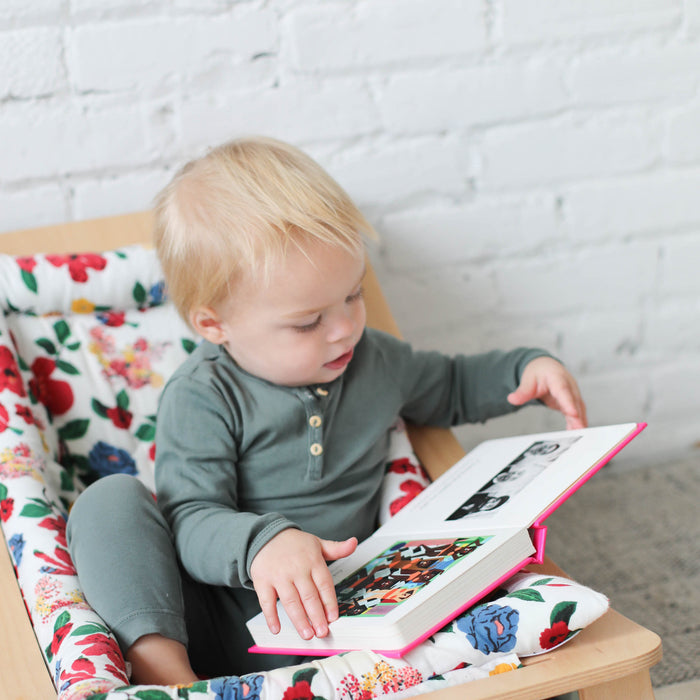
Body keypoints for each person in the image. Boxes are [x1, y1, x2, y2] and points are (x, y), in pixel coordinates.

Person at [67, 136, 587, 686]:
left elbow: (451, 383)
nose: (344, 329)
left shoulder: (375, 361)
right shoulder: (204, 394)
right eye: (307, 322)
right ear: (214, 324)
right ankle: (168, 675)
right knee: (109, 501)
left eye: (354, 295)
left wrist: (524, 369)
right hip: (220, 621)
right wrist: (262, 544)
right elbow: (191, 519)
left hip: (343, 622)